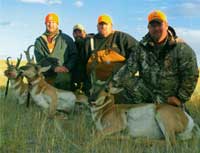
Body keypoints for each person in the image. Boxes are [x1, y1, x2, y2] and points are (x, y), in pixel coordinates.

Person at [112, 10, 199, 106]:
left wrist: (180, 98)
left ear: (166, 25)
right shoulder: (141, 47)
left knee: (176, 118)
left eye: (159, 25)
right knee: (121, 88)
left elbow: (191, 75)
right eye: (153, 26)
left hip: (169, 97)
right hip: (146, 93)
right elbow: (128, 69)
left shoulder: (181, 48)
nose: (156, 28)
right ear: (148, 28)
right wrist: (111, 85)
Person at [84, 14, 138, 95]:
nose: (103, 26)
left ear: (111, 26)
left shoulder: (121, 37)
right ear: (97, 26)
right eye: (101, 24)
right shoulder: (90, 42)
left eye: (106, 24)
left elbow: (138, 51)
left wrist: (129, 72)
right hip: (97, 86)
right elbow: (83, 63)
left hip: (120, 84)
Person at [34, 13, 77, 90]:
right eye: (48, 22)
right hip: (45, 73)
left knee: (64, 79)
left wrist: (67, 67)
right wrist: (54, 68)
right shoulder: (39, 41)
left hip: (63, 72)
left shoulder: (67, 39)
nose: (51, 24)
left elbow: (74, 55)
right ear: (45, 24)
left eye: (53, 22)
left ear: (57, 24)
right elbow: (40, 59)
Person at [72, 24, 94, 91]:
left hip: (91, 74)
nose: (78, 34)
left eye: (80, 32)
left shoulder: (91, 40)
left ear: (84, 32)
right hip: (79, 76)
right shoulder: (73, 45)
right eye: (75, 33)